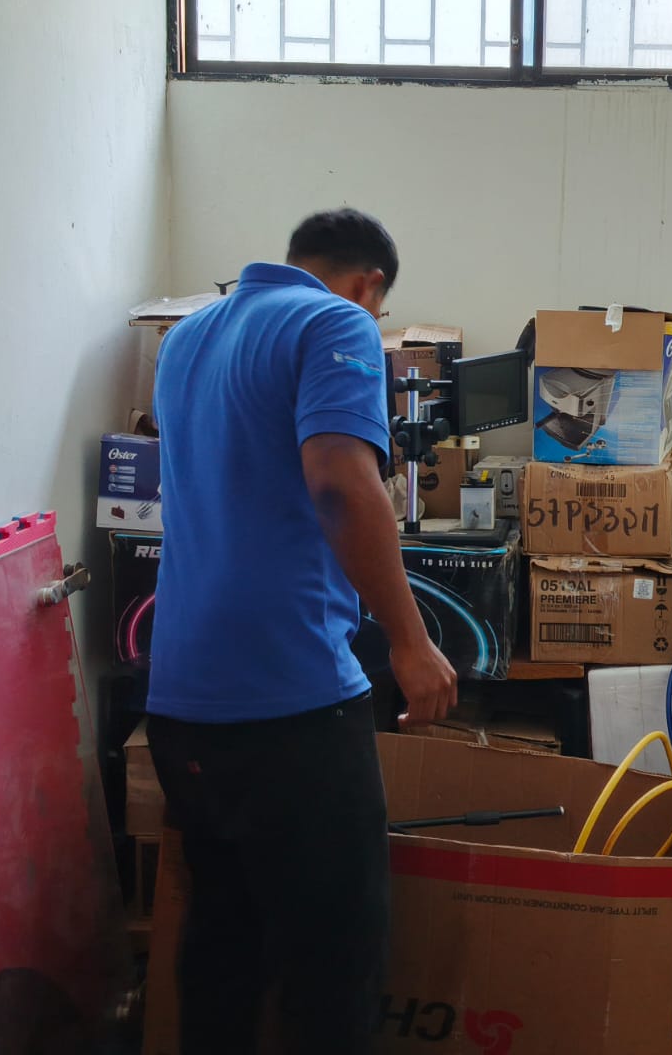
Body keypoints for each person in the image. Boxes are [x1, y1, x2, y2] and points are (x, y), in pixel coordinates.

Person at [144, 208, 458, 1055]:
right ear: (369, 286)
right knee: (333, 967)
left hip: (182, 700)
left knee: (223, 950)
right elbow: (339, 483)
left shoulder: (187, 337)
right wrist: (409, 640)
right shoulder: (337, 322)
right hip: (290, 700)